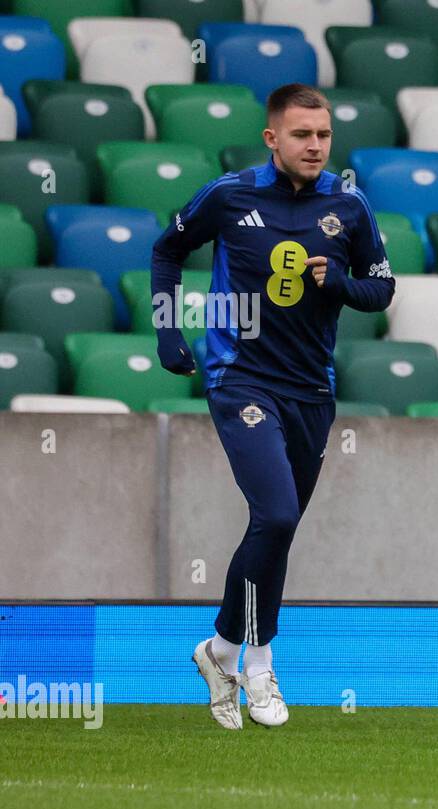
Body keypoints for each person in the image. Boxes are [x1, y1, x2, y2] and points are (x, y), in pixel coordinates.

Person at [152, 83, 396, 729]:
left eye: (323, 135)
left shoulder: (350, 205)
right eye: (301, 135)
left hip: (312, 389)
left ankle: (220, 650)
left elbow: (383, 288)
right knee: (278, 512)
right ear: (272, 138)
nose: (315, 146)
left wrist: (338, 283)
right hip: (242, 379)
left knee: (276, 531)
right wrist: (168, 331)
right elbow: (166, 248)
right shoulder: (230, 195)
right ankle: (259, 663)